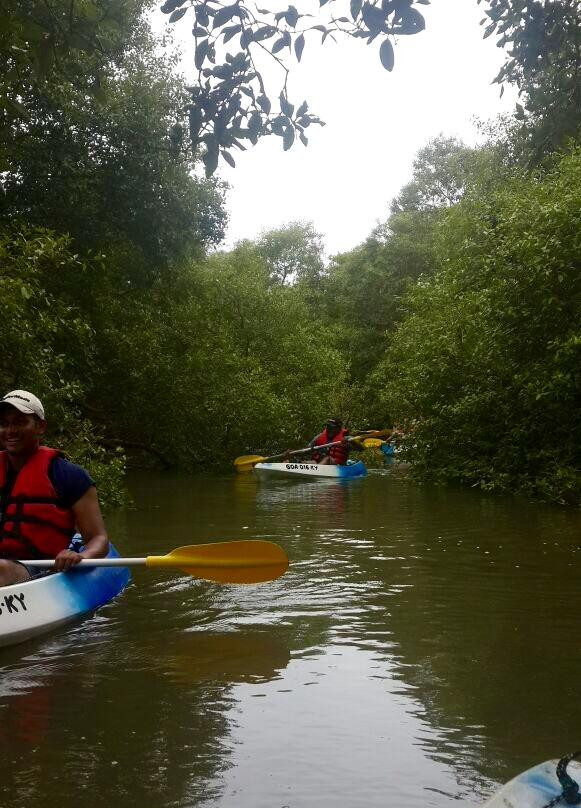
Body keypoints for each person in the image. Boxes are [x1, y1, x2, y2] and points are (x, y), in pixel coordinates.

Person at [0, 390, 109, 586]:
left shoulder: (70, 476)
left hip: (40, 568)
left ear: (40, 427)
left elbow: (98, 539)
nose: (10, 430)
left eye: (19, 422)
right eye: (4, 424)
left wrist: (83, 556)